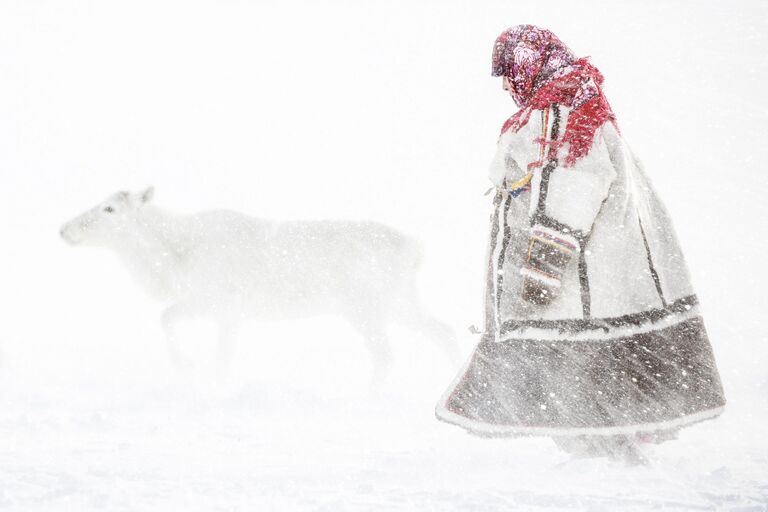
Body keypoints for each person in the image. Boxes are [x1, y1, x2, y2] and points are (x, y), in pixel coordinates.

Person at [435, 25, 726, 463]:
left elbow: (572, 183)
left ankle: (604, 465)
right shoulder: (576, 102)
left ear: (530, 63)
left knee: (575, 368)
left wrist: (544, 264)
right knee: (592, 376)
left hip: (577, 281)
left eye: (508, 70)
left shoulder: (562, 111)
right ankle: (607, 458)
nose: (505, 84)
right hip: (602, 274)